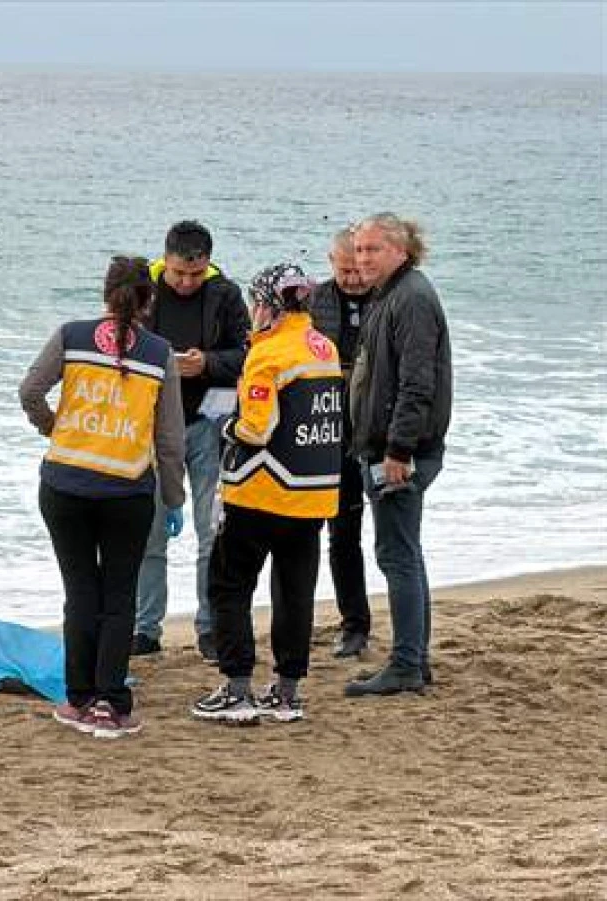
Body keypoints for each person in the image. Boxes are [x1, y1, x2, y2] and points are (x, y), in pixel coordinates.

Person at [20, 256, 187, 739]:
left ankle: (77, 698)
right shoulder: (159, 354)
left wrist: (54, 428)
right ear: (148, 301)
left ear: (105, 293)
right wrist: (173, 497)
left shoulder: (71, 336)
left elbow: (30, 390)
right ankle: (110, 702)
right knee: (119, 598)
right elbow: (170, 439)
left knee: (80, 593)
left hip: (64, 484)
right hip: (126, 491)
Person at [191, 263, 343, 725]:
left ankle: (237, 690)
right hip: (313, 494)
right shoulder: (325, 349)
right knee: (295, 593)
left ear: (267, 306)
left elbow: (256, 430)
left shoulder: (267, 354)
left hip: (260, 493)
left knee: (229, 587)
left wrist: (226, 424)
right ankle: (287, 693)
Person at [131, 220, 250, 662]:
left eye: (195, 274)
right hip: (151, 426)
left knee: (210, 531)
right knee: (148, 534)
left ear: (208, 264)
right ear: (166, 259)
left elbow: (247, 355)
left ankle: (210, 627)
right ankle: (145, 628)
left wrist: (207, 363)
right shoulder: (141, 288)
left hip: (206, 422)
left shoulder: (226, 294)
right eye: (179, 273)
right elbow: (117, 345)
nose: (186, 282)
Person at [345, 213, 452, 697]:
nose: (363, 258)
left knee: (397, 555)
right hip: (387, 446)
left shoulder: (411, 298)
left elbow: (416, 383)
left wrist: (398, 450)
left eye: (373, 249)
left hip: (401, 452)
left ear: (401, 250)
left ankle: (407, 664)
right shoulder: (390, 294)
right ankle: (415, 659)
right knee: (405, 551)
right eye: (359, 249)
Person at [308, 228, 374, 658]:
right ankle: (319, 619)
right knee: (312, 533)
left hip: (368, 432)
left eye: (357, 270)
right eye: (343, 270)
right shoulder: (314, 301)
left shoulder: (386, 300)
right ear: (331, 262)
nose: (351, 279)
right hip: (321, 430)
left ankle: (356, 625)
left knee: (349, 534)